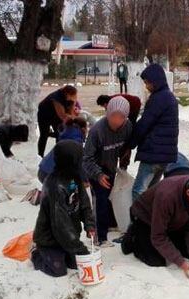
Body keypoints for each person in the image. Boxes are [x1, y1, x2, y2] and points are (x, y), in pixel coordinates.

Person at [121, 172, 189, 278]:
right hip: (145, 219)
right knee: (155, 260)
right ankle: (134, 236)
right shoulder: (167, 195)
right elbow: (158, 236)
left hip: (173, 221)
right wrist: (181, 262)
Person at [32, 140, 96, 278]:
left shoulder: (75, 178)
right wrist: (80, 249)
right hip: (50, 239)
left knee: (75, 264)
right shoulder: (54, 186)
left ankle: (66, 252)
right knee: (59, 270)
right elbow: (61, 226)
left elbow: (85, 203)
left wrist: (89, 225)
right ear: (70, 161)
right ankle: (36, 253)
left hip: (68, 236)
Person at [83, 96, 134, 246]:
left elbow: (126, 146)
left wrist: (124, 161)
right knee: (100, 201)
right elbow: (86, 158)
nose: (116, 121)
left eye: (121, 117)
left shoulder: (127, 126)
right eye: (113, 116)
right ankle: (100, 237)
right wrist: (98, 175)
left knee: (113, 197)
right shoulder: (97, 131)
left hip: (111, 168)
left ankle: (111, 223)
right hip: (95, 170)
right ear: (108, 113)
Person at [132, 64, 179, 199]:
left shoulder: (158, 98)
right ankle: (149, 217)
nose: (146, 86)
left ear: (156, 81)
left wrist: (130, 144)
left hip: (153, 153)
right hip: (165, 155)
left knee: (138, 191)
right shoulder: (169, 97)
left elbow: (144, 124)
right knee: (151, 192)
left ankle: (137, 218)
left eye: (147, 82)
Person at [38, 117, 88, 184]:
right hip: (50, 175)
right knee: (72, 187)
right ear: (83, 129)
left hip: (43, 170)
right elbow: (78, 167)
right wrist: (85, 181)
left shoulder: (67, 135)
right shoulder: (76, 142)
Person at [37, 85, 78, 157]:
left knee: (60, 133)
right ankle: (40, 155)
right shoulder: (56, 98)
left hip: (56, 115)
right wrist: (71, 119)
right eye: (72, 96)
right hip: (44, 114)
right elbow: (62, 116)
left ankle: (59, 154)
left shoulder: (72, 95)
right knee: (44, 135)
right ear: (67, 94)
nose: (74, 98)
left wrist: (72, 117)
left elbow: (71, 110)